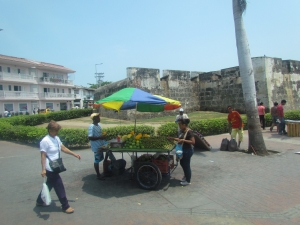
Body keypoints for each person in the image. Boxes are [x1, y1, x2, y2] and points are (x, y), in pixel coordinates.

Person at [36, 120, 81, 214]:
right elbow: (43, 155)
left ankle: (40, 200)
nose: (57, 132)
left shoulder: (56, 138)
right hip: (49, 167)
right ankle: (65, 206)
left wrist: (74, 154)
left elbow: (63, 148)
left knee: (49, 184)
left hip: (56, 165)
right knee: (59, 185)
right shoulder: (45, 141)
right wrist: (43, 169)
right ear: (50, 130)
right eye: (56, 130)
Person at [168, 118, 195, 186]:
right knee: (183, 164)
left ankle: (188, 181)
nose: (179, 126)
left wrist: (183, 141)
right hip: (183, 150)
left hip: (188, 151)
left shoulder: (189, 132)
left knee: (186, 165)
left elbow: (193, 142)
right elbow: (180, 139)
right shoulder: (183, 131)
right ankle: (186, 176)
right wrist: (172, 138)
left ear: (184, 125)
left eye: (180, 124)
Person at [88, 113, 107, 180]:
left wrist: (103, 137)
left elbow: (99, 134)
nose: (99, 119)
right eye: (98, 117)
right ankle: (98, 175)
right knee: (97, 160)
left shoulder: (98, 125)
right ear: (94, 119)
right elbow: (90, 137)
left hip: (101, 144)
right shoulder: (91, 126)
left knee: (101, 158)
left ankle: (106, 171)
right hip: (96, 146)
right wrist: (99, 137)